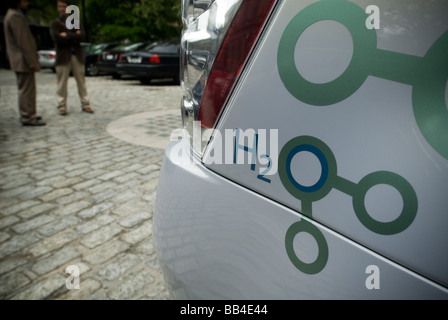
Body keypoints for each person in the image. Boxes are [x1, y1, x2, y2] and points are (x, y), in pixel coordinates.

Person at [3, 0, 46, 126]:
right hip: (22, 60)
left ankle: (29, 113)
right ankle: (27, 117)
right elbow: (23, 41)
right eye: (25, 1)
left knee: (27, 89)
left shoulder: (13, 15)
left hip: (21, 59)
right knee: (26, 90)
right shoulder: (15, 16)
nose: (28, 3)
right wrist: (33, 62)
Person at [50, 0, 94, 116]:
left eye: (63, 6)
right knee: (62, 83)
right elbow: (57, 38)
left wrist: (67, 35)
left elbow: (81, 36)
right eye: (59, 6)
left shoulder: (75, 22)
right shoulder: (55, 23)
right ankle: (62, 106)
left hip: (76, 55)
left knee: (81, 81)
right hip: (63, 56)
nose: (61, 9)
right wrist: (74, 36)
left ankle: (86, 104)